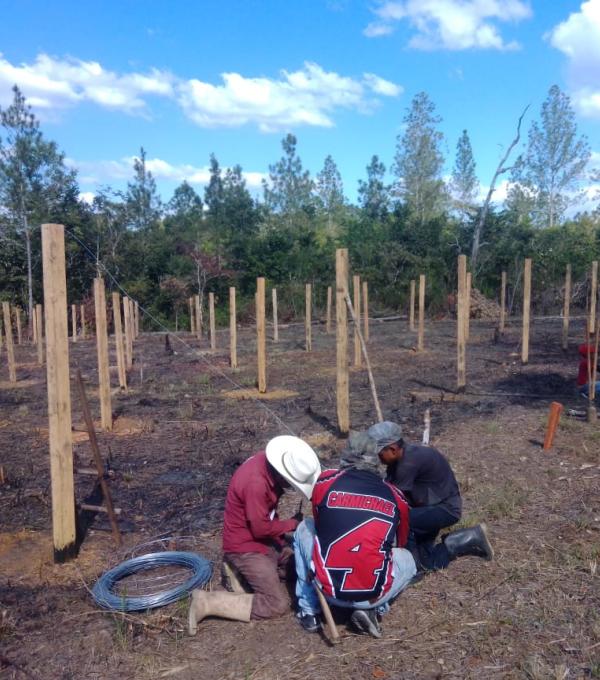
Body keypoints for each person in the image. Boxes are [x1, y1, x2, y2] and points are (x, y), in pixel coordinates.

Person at [188, 435, 321, 634]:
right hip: (246, 547)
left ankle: (243, 580)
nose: (290, 487)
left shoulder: (266, 465)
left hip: (267, 540)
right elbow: (260, 529)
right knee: (277, 604)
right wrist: (292, 524)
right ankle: (208, 602)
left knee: (301, 567)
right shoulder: (255, 483)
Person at [293, 432, 416, 639]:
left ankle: (308, 611)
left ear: (345, 456)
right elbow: (400, 542)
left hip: (329, 591)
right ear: (376, 458)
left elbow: (320, 526)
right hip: (374, 595)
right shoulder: (397, 497)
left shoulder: (324, 481)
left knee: (304, 527)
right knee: (408, 559)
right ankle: (375, 608)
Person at [367, 421, 493, 573]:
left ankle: (412, 568)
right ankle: (467, 537)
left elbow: (393, 501)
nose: (378, 458)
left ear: (393, 449)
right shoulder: (404, 456)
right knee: (427, 562)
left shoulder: (407, 464)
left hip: (445, 509)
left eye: (379, 453)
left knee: (401, 521)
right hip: (430, 506)